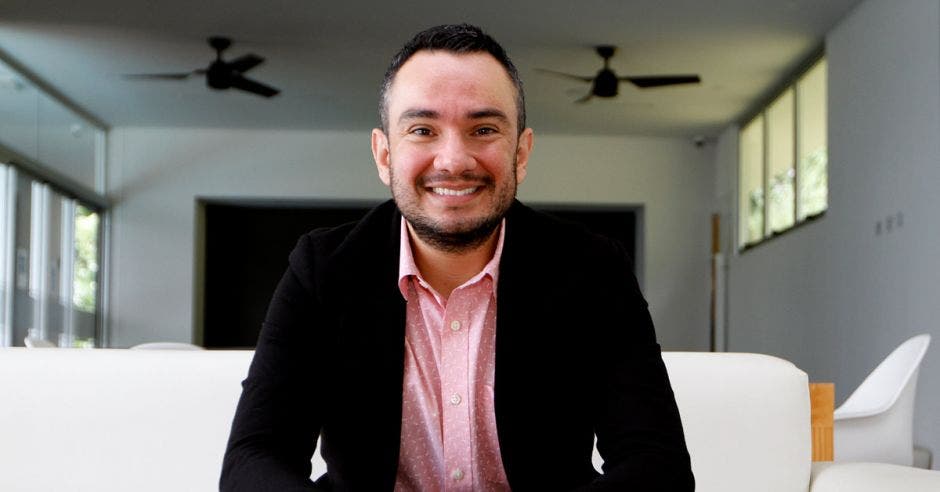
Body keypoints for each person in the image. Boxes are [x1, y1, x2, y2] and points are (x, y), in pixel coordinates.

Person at [221, 23, 693, 491]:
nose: (453, 160)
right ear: (384, 154)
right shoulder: (322, 268)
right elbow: (254, 459)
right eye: (423, 129)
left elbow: (657, 463)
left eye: (483, 129)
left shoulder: (592, 269)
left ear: (521, 153)